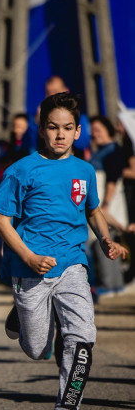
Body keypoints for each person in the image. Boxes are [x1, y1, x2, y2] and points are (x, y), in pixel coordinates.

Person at [0, 92, 126, 410]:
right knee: (37, 349)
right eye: (53, 127)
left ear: (78, 131)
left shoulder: (84, 170)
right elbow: (2, 220)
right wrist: (29, 258)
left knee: (82, 337)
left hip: (72, 264)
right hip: (31, 270)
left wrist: (107, 239)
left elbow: (93, 209)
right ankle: (20, 316)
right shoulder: (21, 170)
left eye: (67, 128)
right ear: (41, 129)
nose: (60, 134)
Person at [88, 115, 134, 297]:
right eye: (92, 131)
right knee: (105, 240)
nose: (95, 134)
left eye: (98, 130)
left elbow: (112, 180)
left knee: (105, 240)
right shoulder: (98, 151)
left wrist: (105, 204)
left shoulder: (113, 151)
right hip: (101, 203)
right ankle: (113, 284)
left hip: (108, 203)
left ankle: (111, 284)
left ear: (108, 130)